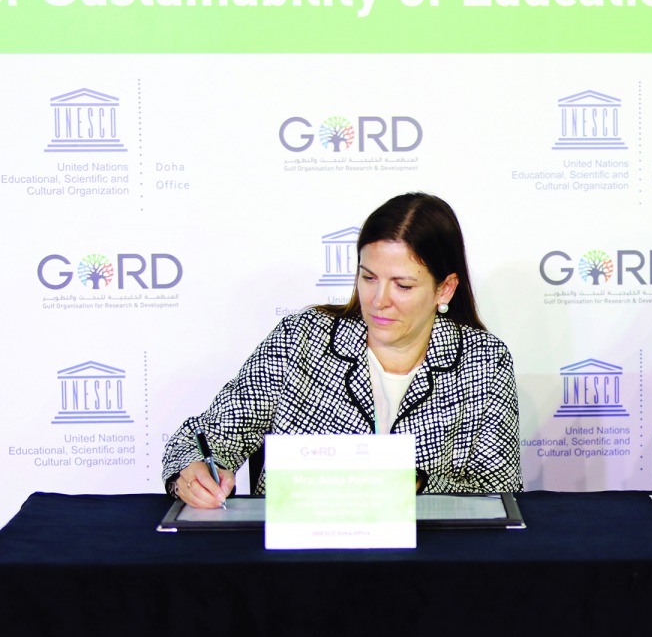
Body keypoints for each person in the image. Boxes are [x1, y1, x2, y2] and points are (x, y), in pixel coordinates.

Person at [163, 192, 521, 508]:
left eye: (403, 285)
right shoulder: (301, 337)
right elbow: (201, 440)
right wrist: (192, 471)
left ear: (444, 289)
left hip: (427, 563)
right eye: (368, 278)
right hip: (299, 565)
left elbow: (501, 494)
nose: (379, 301)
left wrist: (414, 484)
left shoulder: (484, 361)